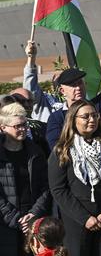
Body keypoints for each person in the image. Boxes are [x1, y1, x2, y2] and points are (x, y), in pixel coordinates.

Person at [49, 100, 101, 256]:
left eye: (94, 115)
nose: (92, 120)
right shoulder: (62, 150)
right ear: (73, 119)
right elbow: (58, 190)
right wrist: (85, 218)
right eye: (85, 116)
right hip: (76, 222)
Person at [46, 29, 101, 149]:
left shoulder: (98, 106)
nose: (77, 88)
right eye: (72, 85)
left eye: (80, 83)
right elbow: (56, 149)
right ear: (62, 91)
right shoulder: (57, 118)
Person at [0, 103, 51, 256]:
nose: (23, 129)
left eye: (25, 124)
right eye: (17, 126)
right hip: (4, 224)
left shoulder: (36, 151)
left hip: (33, 221)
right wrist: (16, 219)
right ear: (3, 127)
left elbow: (46, 186)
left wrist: (34, 214)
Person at [22, 40, 64, 123]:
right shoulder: (44, 100)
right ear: (52, 86)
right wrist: (31, 58)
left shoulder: (77, 99)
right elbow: (30, 89)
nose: (60, 84)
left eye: (64, 81)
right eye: (58, 81)